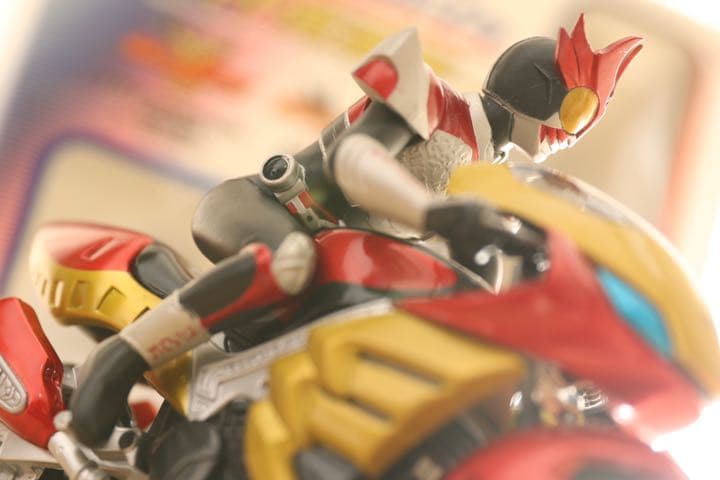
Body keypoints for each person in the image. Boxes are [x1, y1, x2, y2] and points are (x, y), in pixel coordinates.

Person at [67, 14, 642, 446]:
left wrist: (549, 350)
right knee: (290, 264)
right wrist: (434, 214)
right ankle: (119, 360)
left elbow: (478, 282)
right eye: (578, 111)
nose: (574, 134)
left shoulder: (492, 178)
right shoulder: (431, 98)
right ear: (541, 87)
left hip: (337, 264)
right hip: (270, 211)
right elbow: (355, 162)